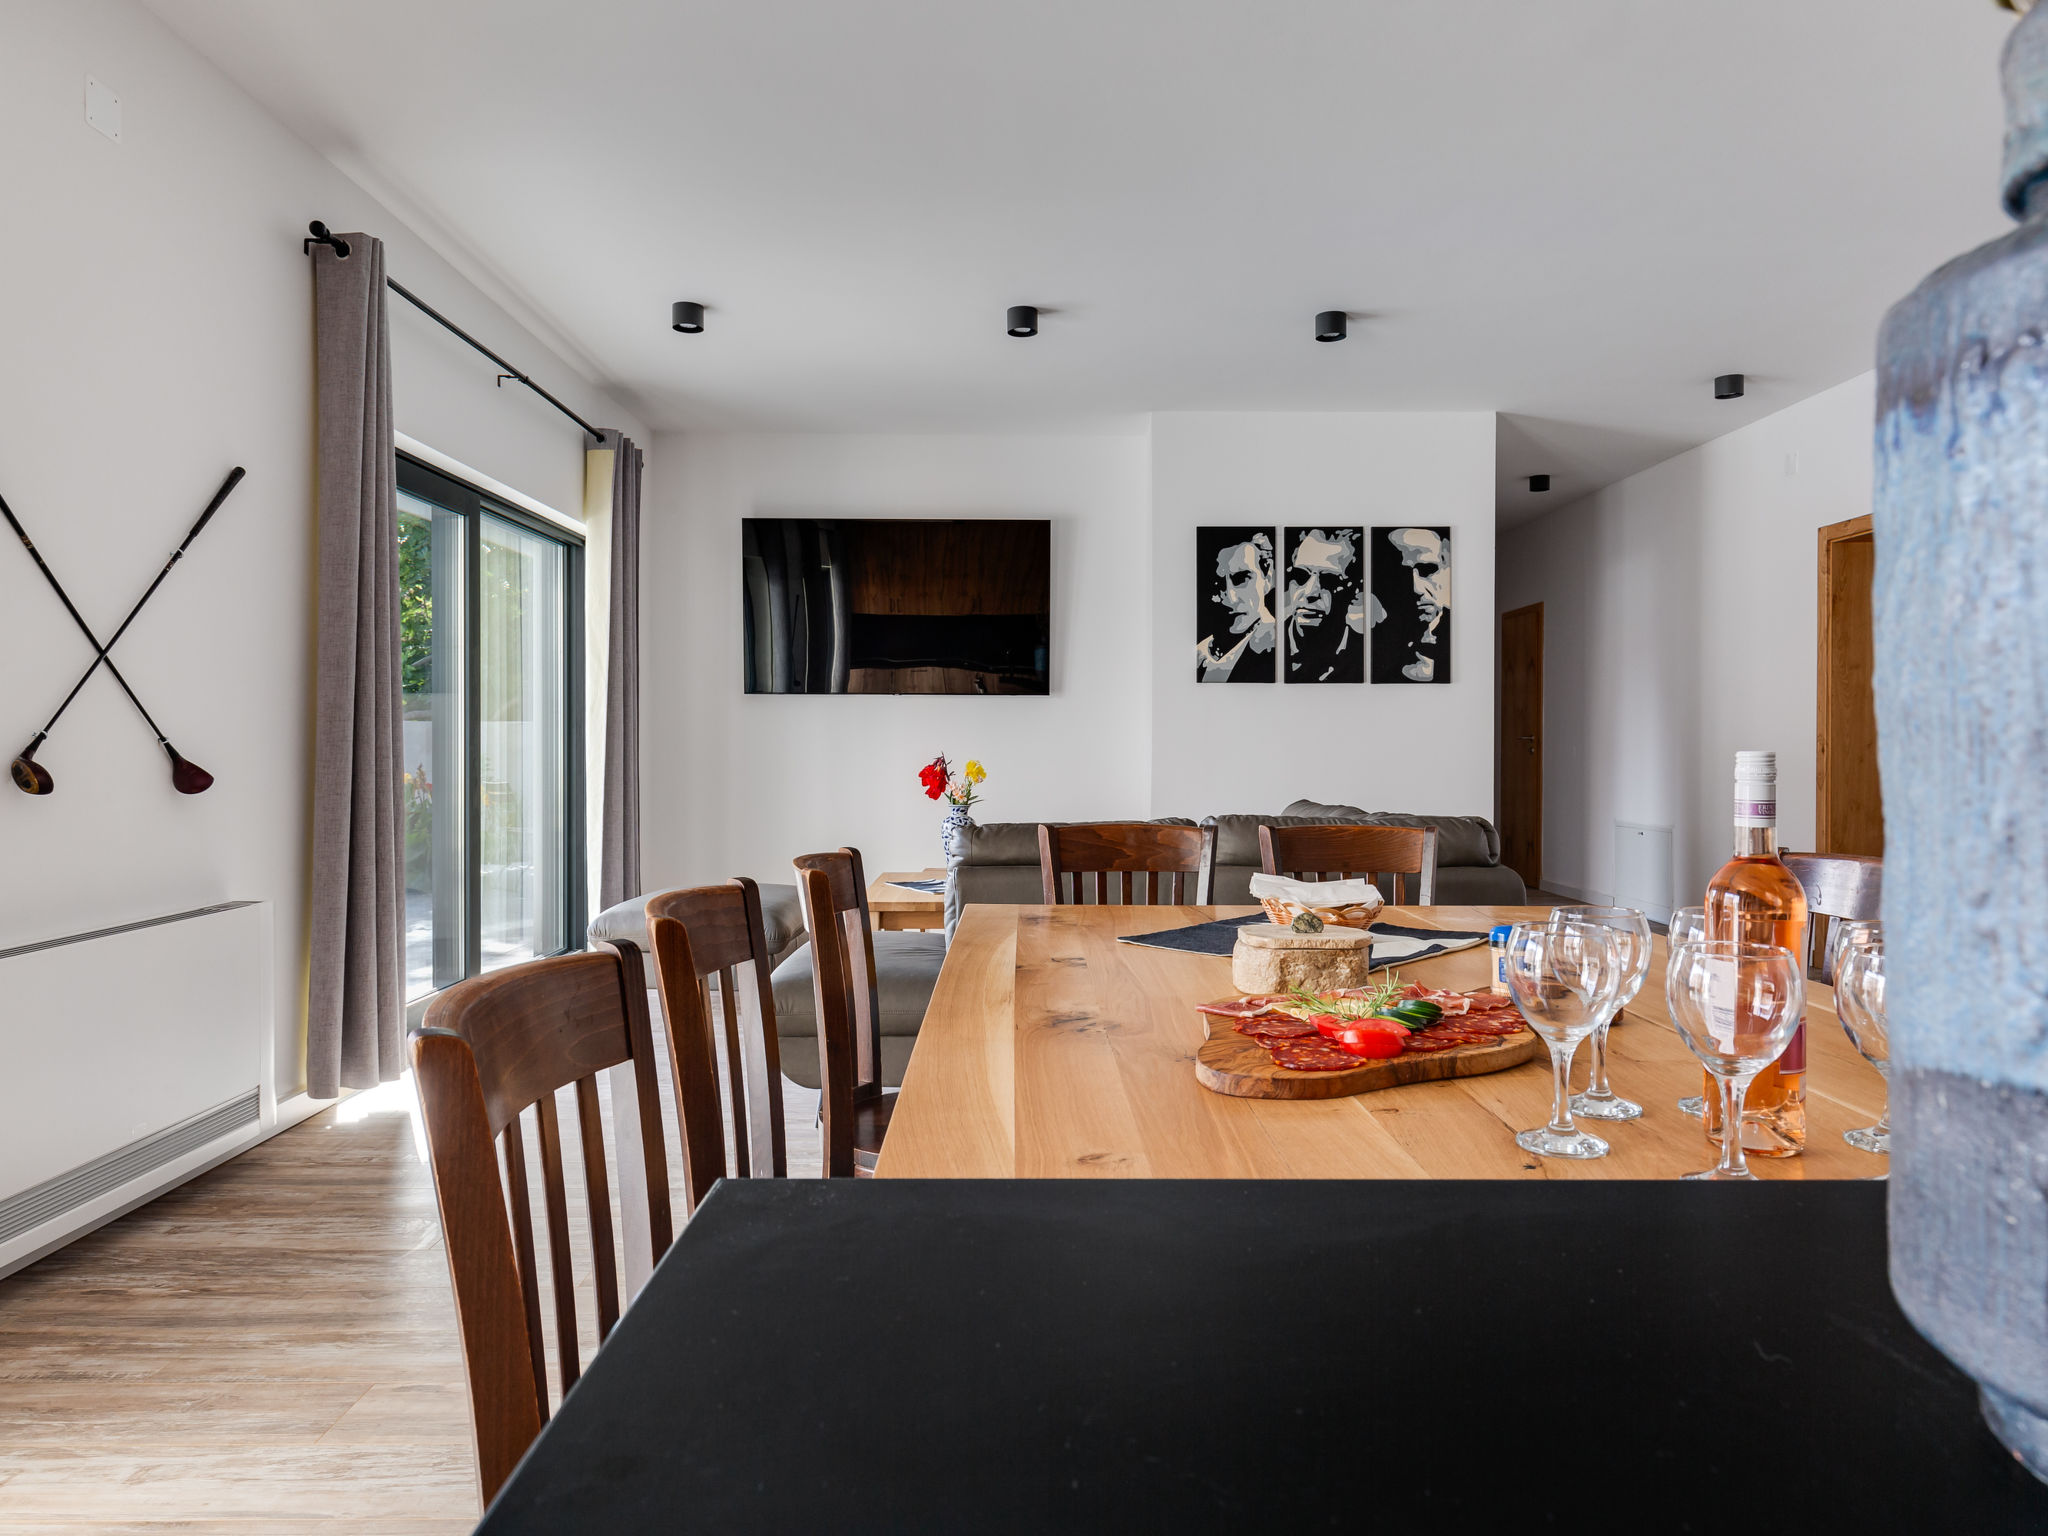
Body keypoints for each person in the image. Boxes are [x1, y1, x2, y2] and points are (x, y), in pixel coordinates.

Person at [1283, 527, 1365, 683]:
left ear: (1355, 588)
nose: (1310, 593)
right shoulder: (1263, 653)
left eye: (1329, 579)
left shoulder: (1362, 656)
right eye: (1300, 575)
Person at [1372, 527, 1451, 683]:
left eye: (1427, 569)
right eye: (1400, 575)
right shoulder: (1379, 648)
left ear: (1446, 568)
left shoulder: (1462, 643)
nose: (1417, 588)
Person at [1195, 532, 1276, 682]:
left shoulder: (1279, 649)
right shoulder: (1199, 653)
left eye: (1242, 578)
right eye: (1218, 583)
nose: (1231, 597)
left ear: (1268, 579)